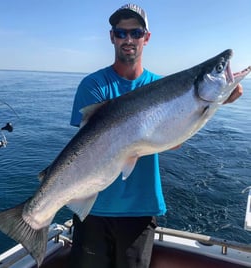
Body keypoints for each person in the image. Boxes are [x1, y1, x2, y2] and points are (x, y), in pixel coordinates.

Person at [69, 4, 243, 268]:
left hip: (140, 211)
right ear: (112, 36)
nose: (128, 39)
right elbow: (86, 146)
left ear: (146, 38)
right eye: (121, 32)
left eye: (136, 32)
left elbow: (173, 141)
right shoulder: (93, 85)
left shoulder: (162, 88)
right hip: (93, 209)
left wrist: (215, 104)